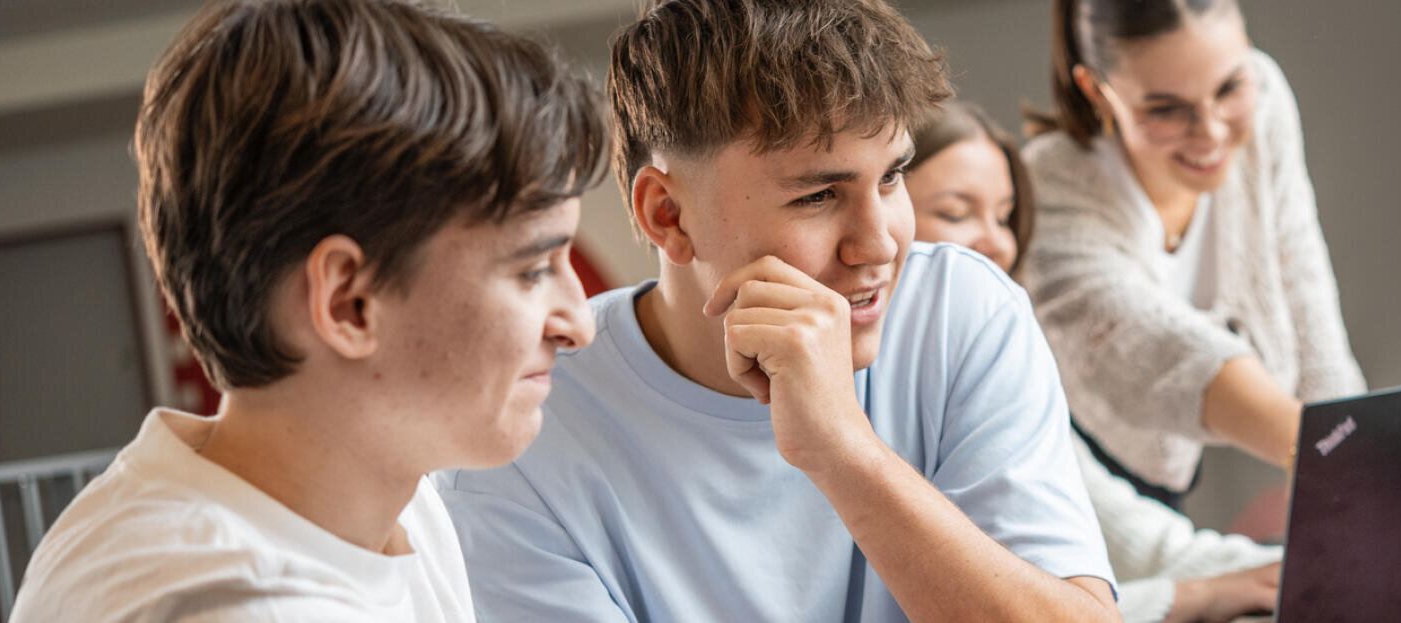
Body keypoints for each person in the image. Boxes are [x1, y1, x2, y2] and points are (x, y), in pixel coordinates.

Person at [434, 1, 1119, 621]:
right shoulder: (520, 441)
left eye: (892, 176)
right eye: (819, 195)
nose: (879, 243)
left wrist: (844, 452)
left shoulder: (962, 310)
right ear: (667, 214)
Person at [9, 1, 605, 621]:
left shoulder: (394, 503)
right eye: (534, 270)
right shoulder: (230, 606)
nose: (578, 325)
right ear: (349, 303)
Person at [909, 101, 1282, 623]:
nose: (998, 243)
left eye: (1004, 216)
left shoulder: (996, 379)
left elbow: (1139, 544)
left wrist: (1299, 564)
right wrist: (1192, 597)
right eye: (955, 213)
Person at [1020, 0, 1368, 508]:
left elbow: (1303, 284)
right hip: (1090, 464)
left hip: (1225, 428)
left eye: (1229, 87)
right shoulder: (1048, 190)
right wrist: (1350, 459)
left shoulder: (1265, 98)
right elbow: (1164, 353)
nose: (1211, 131)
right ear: (1097, 91)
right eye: (1165, 109)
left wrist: (1363, 444)